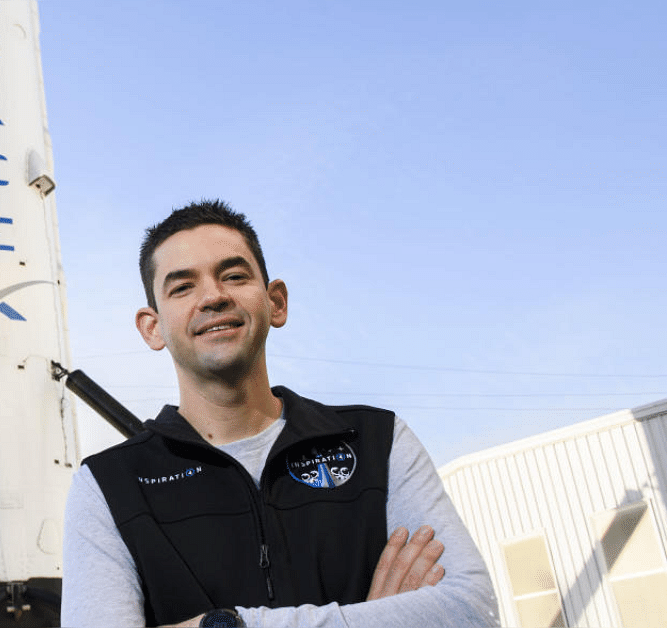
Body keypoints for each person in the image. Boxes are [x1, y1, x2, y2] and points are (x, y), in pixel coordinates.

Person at [61, 200, 497, 627]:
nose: (213, 296)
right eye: (182, 287)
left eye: (233, 275)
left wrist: (227, 624)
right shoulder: (107, 486)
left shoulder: (377, 440)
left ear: (276, 303)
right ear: (152, 327)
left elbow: (472, 611)